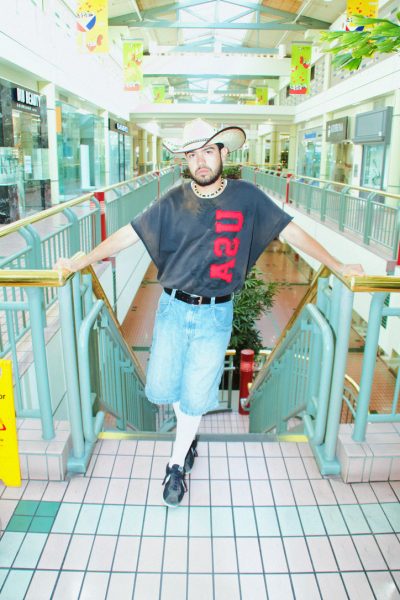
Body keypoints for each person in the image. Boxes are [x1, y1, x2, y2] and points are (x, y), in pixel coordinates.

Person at [55, 118, 364, 508]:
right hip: (172, 308)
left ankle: (176, 465)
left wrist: (338, 264)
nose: (199, 161)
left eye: (207, 151)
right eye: (191, 154)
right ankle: (188, 437)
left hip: (215, 315)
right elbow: (129, 233)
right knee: (162, 387)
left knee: (196, 393)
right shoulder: (174, 200)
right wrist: (82, 261)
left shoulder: (247, 197)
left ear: (223, 153)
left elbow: (290, 231)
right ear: (185, 160)